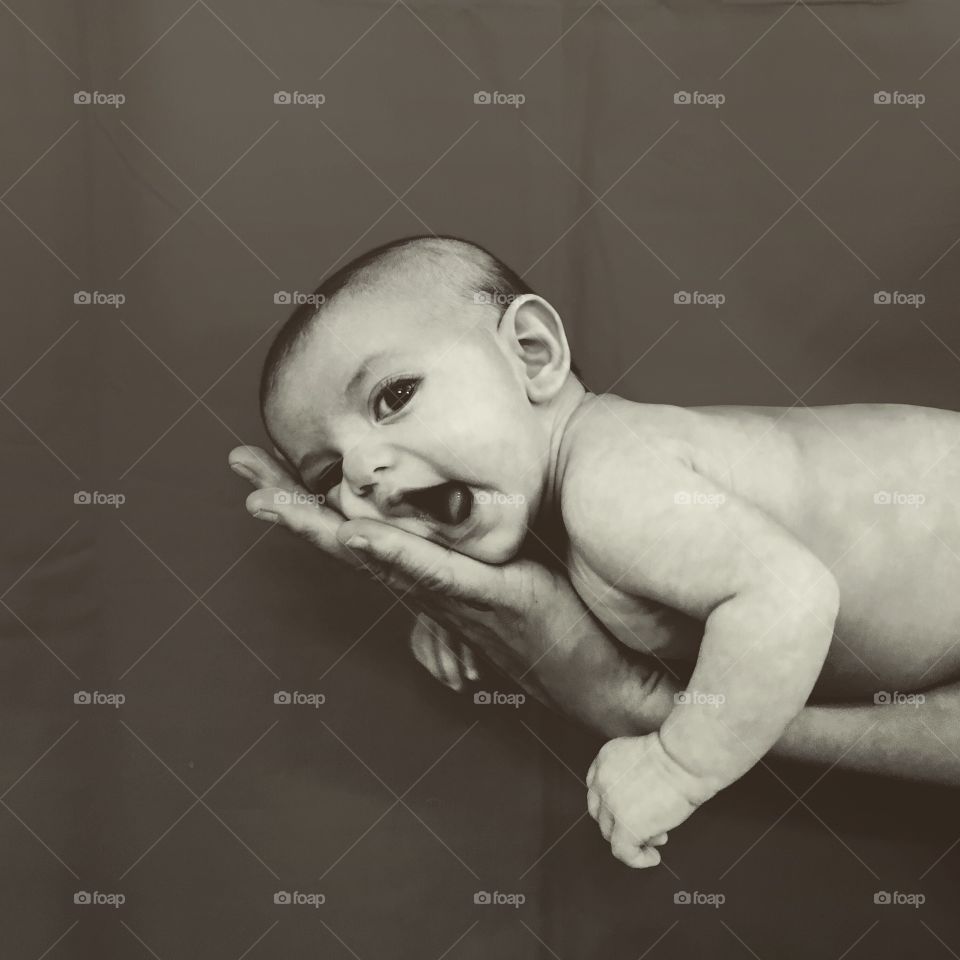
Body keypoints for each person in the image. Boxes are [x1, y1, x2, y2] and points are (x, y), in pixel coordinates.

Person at [234, 234, 960, 867]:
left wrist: (679, 762)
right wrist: (444, 600)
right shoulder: (562, 506)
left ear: (533, 354)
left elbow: (788, 597)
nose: (362, 473)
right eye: (327, 476)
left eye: (392, 397)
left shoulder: (611, 482)